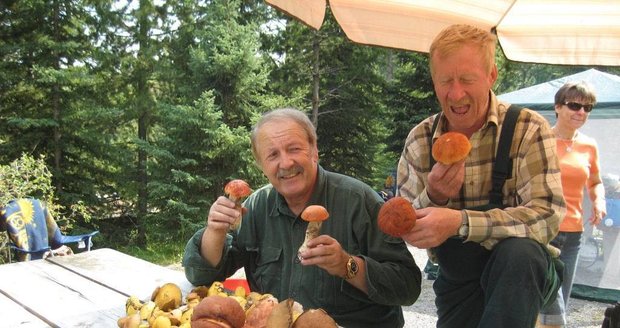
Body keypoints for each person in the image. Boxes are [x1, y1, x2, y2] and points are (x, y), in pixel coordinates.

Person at [183, 107, 421, 328]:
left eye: (294, 149)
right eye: (273, 155)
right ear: (261, 165)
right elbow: (200, 276)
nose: (286, 163)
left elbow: (408, 286)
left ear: (314, 150)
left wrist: (347, 265)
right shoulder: (256, 207)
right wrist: (215, 230)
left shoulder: (359, 201)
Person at [396, 24, 566, 328]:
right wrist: (433, 196)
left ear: (491, 76)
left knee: (520, 253)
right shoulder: (420, 139)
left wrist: (459, 222)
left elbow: (547, 216)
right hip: (458, 282)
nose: (456, 93)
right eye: (445, 80)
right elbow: (403, 225)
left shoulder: (528, 129)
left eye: (467, 79)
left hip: (523, 279)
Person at [538, 82, 607, 328]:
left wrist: (598, 200)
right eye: (574, 105)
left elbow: (596, 181)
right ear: (558, 107)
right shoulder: (541, 139)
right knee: (553, 311)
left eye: (587, 107)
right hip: (544, 231)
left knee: (558, 304)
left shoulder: (589, 145)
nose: (581, 112)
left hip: (574, 235)